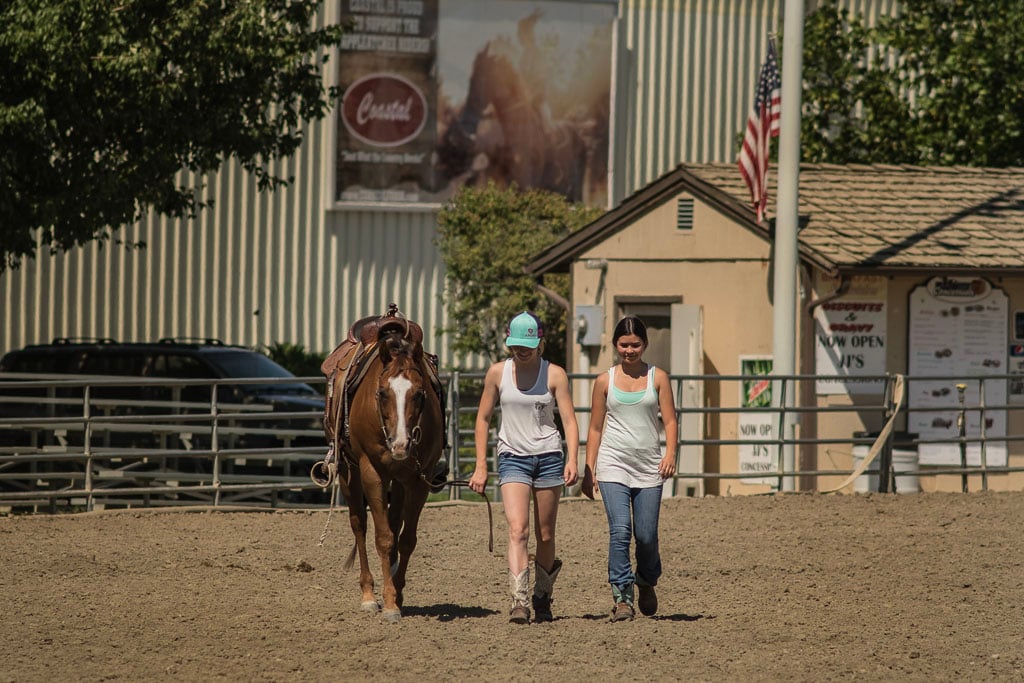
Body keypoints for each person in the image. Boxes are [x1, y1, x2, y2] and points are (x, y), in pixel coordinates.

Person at [469, 311, 580, 624]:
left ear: (540, 343)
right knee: (518, 529)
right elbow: (483, 419)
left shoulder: (555, 374)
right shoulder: (497, 373)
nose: (521, 351)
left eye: (527, 346)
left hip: (548, 456)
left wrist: (572, 458)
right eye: (516, 345)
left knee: (545, 534)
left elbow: (569, 420)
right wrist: (480, 465)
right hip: (513, 457)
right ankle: (519, 600)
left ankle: (542, 594)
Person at [582, 315, 677, 622]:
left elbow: (670, 420)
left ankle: (646, 580)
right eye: (624, 345)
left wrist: (670, 453)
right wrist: (589, 468)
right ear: (615, 345)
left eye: (635, 345)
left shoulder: (658, 378)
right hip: (613, 464)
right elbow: (595, 427)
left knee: (646, 535)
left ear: (644, 345)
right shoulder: (604, 381)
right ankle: (622, 596)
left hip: (648, 466)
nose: (629, 350)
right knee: (621, 530)